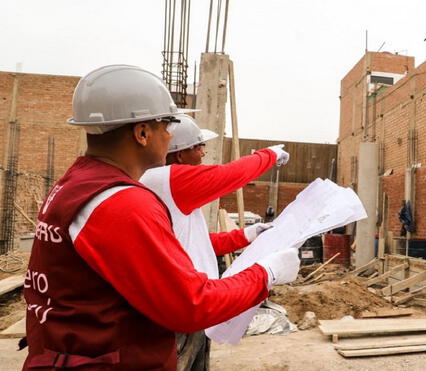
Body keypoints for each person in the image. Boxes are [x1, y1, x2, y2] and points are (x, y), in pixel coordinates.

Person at [22, 65, 300, 370]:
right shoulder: (122, 203)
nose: (170, 135)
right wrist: (266, 273)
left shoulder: (77, 184)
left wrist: (245, 236)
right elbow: (192, 304)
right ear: (142, 133)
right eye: (166, 125)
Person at [140, 114, 288, 371]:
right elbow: (229, 175)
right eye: (197, 147)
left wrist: (247, 235)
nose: (202, 154)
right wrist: (269, 155)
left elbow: (194, 242)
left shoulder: (170, 188)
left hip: (194, 311)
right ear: (178, 154)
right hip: (179, 312)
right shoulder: (167, 179)